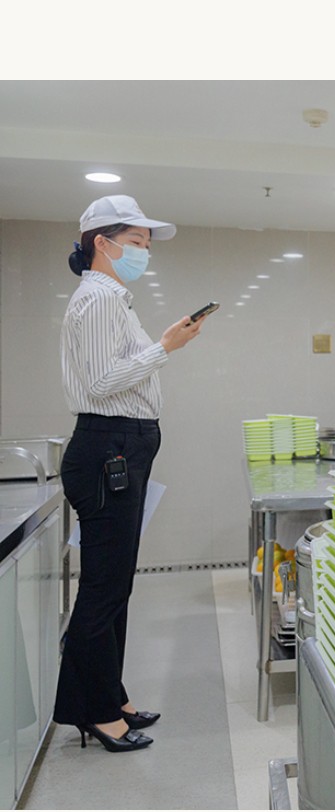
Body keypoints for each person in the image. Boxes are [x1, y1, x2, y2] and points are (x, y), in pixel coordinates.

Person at [56, 194, 206, 752]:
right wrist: (165, 347)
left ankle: (109, 695)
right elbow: (101, 384)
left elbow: (117, 372)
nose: (145, 252)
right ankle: (95, 712)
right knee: (103, 586)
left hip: (121, 447)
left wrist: (162, 347)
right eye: (137, 242)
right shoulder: (98, 299)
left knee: (115, 583)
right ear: (103, 243)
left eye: (146, 244)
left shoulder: (113, 299)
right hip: (107, 448)